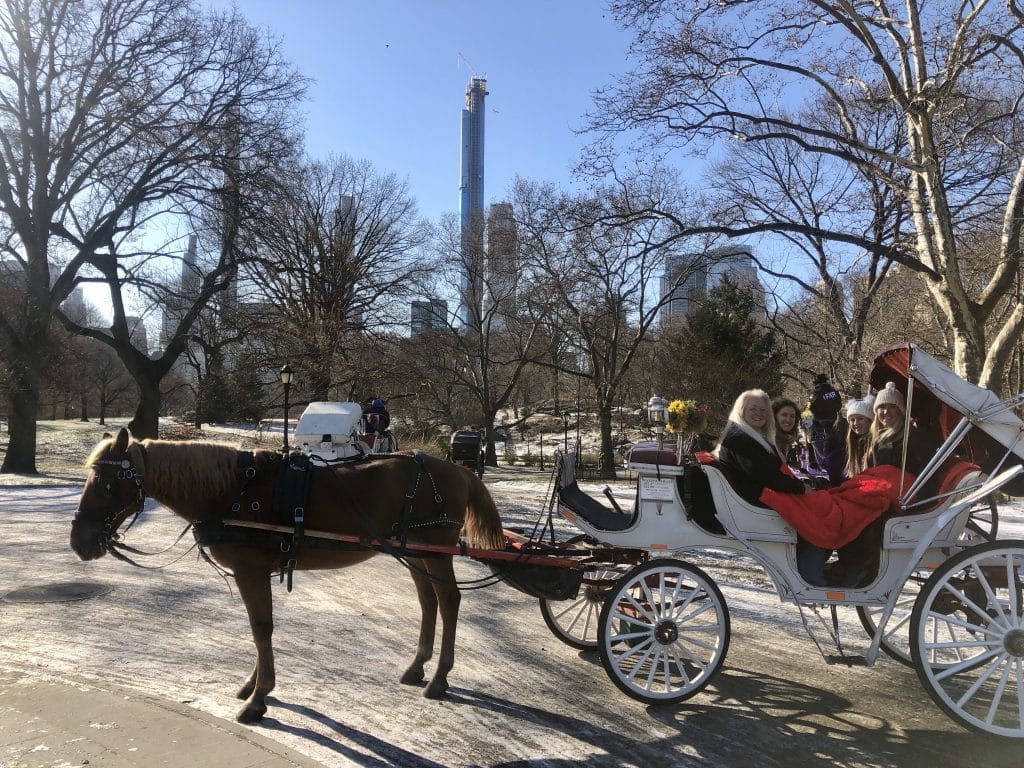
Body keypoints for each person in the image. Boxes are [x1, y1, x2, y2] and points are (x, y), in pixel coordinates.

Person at [715, 389, 807, 505]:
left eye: (763, 410)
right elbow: (767, 476)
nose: (759, 413)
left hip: (760, 493)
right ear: (742, 411)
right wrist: (801, 487)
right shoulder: (739, 439)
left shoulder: (749, 436)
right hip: (755, 500)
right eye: (753, 409)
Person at [843, 395, 875, 479]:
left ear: (870, 420)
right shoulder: (853, 442)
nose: (856, 423)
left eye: (860, 418)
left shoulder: (876, 442)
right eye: (852, 420)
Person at [772, 398, 801, 466]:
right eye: (784, 415)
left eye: (792, 416)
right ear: (775, 416)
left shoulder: (785, 439)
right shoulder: (768, 440)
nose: (788, 419)